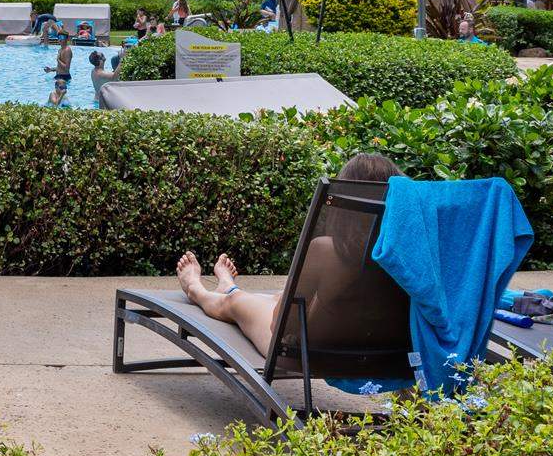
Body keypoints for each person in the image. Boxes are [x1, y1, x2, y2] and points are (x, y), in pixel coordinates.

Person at [171, 152, 402, 355]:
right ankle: (226, 285)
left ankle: (197, 289)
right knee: (284, 296)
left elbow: (281, 326)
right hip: (377, 352)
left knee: (235, 302)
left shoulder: (328, 252)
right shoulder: (408, 259)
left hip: (303, 350)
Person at [47, 39, 74, 106]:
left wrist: (58, 60)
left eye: (65, 88)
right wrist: (51, 69)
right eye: (62, 88)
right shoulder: (53, 94)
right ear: (56, 87)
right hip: (59, 75)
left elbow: (66, 67)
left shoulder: (67, 50)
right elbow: (55, 105)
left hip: (64, 76)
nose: (63, 90)